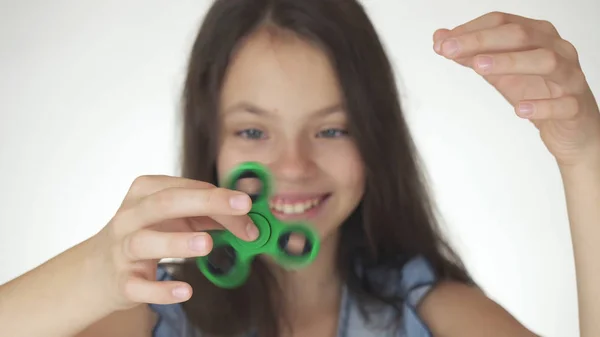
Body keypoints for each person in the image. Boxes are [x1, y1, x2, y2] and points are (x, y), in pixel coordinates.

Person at [1, 1, 598, 337]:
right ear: (213, 144)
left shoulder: (434, 315)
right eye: (254, 131)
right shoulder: (146, 319)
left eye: (332, 129)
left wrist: (584, 154)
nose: (292, 165)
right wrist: (93, 271)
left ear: (375, 138)